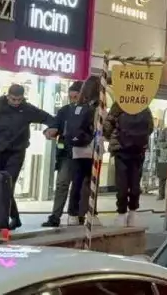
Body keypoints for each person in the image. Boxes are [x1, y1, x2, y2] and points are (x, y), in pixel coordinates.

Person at [0, 83, 56, 229]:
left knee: (7, 185)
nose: (16, 103)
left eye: (19, 100)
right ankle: (14, 217)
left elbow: (49, 118)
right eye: (13, 99)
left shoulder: (27, 110)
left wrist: (51, 129)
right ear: (7, 96)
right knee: (1, 186)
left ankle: (4, 221)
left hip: (17, 153)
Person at [104, 99, 154, 227]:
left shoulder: (119, 104)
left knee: (122, 183)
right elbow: (150, 128)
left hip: (121, 149)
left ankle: (121, 214)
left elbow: (107, 127)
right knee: (135, 182)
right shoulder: (143, 105)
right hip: (138, 150)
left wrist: (113, 137)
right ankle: (133, 213)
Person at [59, 77, 101, 224]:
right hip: (92, 148)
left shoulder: (77, 106)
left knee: (76, 181)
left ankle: (72, 215)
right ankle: (90, 213)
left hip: (77, 148)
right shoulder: (97, 106)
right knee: (92, 183)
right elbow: (101, 128)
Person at [42, 81, 83, 227]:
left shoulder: (89, 110)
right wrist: (50, 130)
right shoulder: (64, 111)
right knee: (61, 183)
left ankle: (79, 213)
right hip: (66, 152)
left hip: (84, 153)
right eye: (71, 97)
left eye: (76, 97)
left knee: (81, 186)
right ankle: (55, 216)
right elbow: (55, 124)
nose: (73, 100)